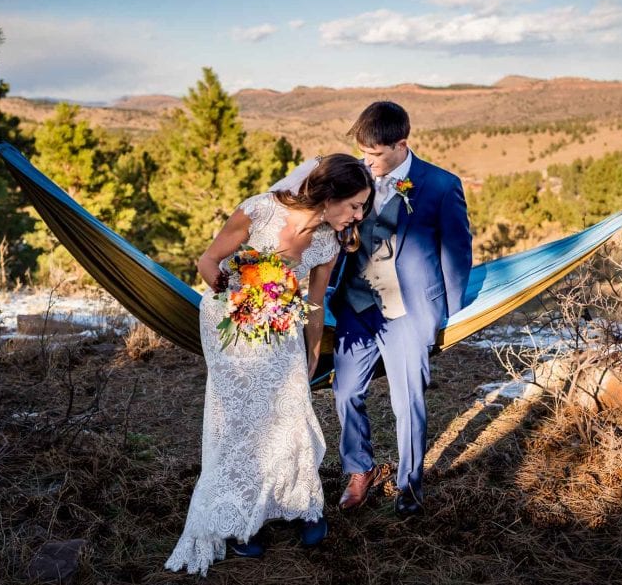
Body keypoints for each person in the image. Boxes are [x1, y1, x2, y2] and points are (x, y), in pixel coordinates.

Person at [165, 154, 374, 576]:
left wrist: (312, 350)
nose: (359, 215)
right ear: (329, 195)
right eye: (354, 205)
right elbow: (207, 262)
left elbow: (315, 302)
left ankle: (301, 504)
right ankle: (245, 519)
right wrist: (234, 288)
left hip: (282, 325)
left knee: (291, 411)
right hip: (230, 322)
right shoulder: (258, 210)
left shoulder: (329, 241)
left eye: (363, 207)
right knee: (243, 418)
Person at [329, 101, 472, 517]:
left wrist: (448, 315)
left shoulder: (442, 185)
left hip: (408, 312)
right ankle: (360, 470)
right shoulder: (354, 177)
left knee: (407, 401)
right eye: (364, 153)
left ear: (401, 145)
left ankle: (409, 487)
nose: (367, 162)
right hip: (356, 306)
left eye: (374, 155)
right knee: (344, 392)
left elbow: (457, 253)